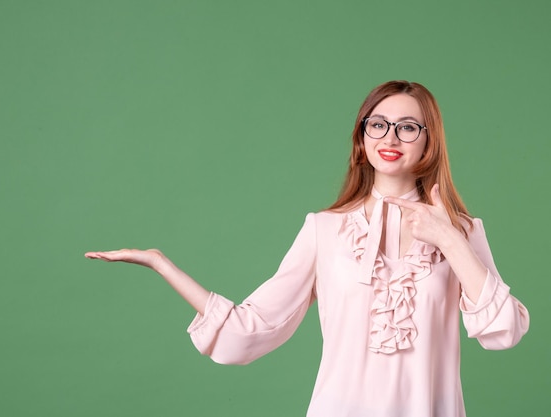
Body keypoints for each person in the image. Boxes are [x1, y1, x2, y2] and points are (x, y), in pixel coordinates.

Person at [85, 80, 530, 417]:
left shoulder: (462, 232)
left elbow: (504, 331)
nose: (390, 137)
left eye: (408, 127)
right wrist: (161, 264)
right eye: (378, 124)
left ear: (430, 140)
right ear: (362, 137)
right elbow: (251, 327)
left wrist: (449, 239)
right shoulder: (324, 230)